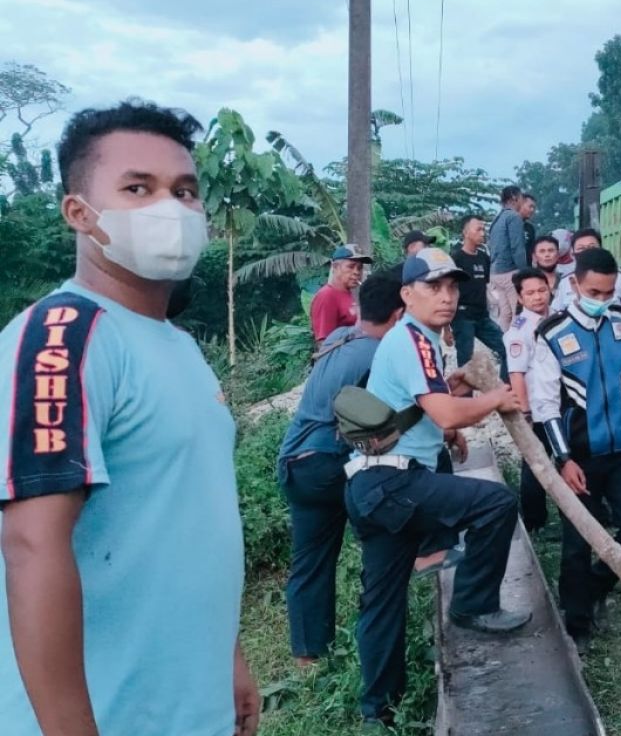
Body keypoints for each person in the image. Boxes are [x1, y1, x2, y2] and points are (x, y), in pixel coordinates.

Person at [0, 101, 259, 735]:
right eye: (137, 188)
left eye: (185, 190)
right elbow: (32, 543)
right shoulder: (65, 335)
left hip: (188, 703)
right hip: (110, 716)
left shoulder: (176, 344)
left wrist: (226, 657)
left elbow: (187, 521)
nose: (170, 207)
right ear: (79, 213)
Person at [346, 247, 530, 726]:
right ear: (407, 294)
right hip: (393, 482)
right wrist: (493, 397)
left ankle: (377, 712)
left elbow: (429, 407)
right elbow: (445, 411)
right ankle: (473, 605)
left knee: (383, 602)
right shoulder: (411, 340)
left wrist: (453, 410)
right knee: (495, 502)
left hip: (373, 487)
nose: (446, 297)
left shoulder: (418, 339)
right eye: (433, 287)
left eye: (452, 287)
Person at [279, 268, 435, 669]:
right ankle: (427, 558)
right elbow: (378, 428)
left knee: (310, 559)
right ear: (402, 313)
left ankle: (307, 657)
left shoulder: (338, 338)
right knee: (383, 530)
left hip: (296, 462)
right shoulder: (384, 353)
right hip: (331, 462)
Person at [530, 248, 621, 653]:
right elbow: (544, 406)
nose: (602, 299)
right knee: (577, 543)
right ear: (575, 284)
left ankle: (598, 585)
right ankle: (577, 621)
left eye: (609, 291)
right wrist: (563, 459)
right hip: (578, 457)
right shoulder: (552, 333)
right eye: (594, 291)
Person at [502, 268, 555, 535]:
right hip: (537, 407)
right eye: (530, 293)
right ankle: (535, 520)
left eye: (541, 290)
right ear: (521, 298)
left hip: (557, 403)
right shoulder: (520, 331)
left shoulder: (555, 318)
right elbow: (516, 374)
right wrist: (525, 410)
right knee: (536, 463)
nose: (538, 297)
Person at [450, 215, 508, 380]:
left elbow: (486, 285)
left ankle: (507, 391)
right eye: (478, 229)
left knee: (509, 348)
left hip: (482, 317)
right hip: (462, 317)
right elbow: (448, 290)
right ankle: (465, 402)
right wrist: (447, 327)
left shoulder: (484, 258)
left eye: (484, 229)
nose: (483, 233)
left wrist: (495, 302)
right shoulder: (456, 259)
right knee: (466, 363)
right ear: (466, 232)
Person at [551, 228, 621, 313]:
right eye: (581, 248)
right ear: (573, 253)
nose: (587, 252)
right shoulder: (565, 281)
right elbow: (556, 312)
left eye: (592, 247)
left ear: (601, 248)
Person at [311, 243, 373, 342]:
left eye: (359, 268)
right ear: (335, 267)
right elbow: (324, 343)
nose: (356, 272)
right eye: (351, 266)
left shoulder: (346, 293)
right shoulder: (327, 296)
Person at [488, 185, 529, 330]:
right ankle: (516, 346)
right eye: (522, 198)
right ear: (514, 197)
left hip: (495, 273)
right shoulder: (514, 217)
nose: (522, 202)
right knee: (521, 312)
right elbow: (517, 247)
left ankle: (503, 346)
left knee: (505, 313)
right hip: (510, 272)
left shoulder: (496, 219)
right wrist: (525, 273)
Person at [520, 193, 538, 265]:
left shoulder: (530, 228)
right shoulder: (509, 225)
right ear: (520, 205)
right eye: (530, 207)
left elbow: (532, 251)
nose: (532, 210)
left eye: (534, 208)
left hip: (527, 270)